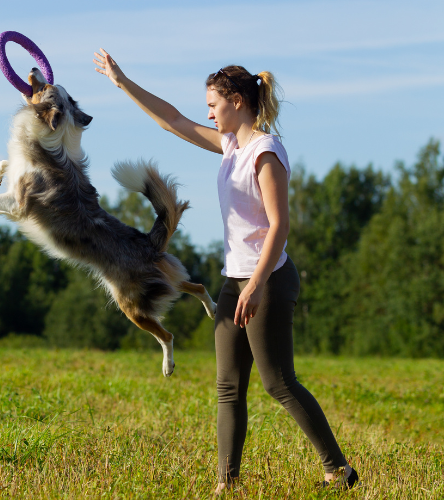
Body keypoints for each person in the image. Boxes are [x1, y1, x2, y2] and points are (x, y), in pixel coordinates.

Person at [92, 48, 358, 494]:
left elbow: (280, 225)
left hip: (267, 280)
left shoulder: (265, 152)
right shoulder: (231, 144)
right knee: (228, 387)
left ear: (237, 100)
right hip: (235, 279)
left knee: (278, 382)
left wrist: (254, 285)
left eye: (214, 105)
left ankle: (338, 469)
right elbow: (172, 120)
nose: (209, 113)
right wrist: (122, 82)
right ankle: (226, 485)